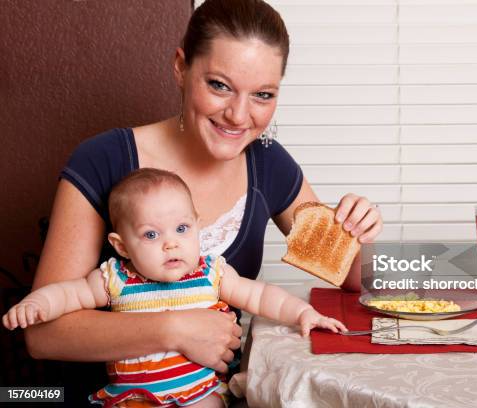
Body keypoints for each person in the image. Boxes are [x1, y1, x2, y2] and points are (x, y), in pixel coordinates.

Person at [24, 0, 383, 402]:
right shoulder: (104, 159)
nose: (238, 115)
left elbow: (354, 279)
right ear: (181, 67)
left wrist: (359, 232)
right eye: (219, 86)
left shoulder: (268, 162)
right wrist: (174, 328)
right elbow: (43, 334)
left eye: (262, 94)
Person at [5, 168, 347, 407]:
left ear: (198, 227)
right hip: (133, 397)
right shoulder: (116, 278)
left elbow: (260, 295)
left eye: (182, 229)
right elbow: (68, 293)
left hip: (198, 395)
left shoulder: (210, 273)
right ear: (122, 245)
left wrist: (303, 312)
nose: (171, 244)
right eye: (152, 235)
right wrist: (37, 305)